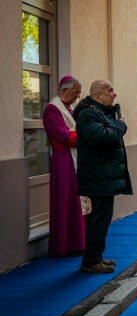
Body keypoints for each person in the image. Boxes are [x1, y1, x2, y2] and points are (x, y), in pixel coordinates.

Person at [74, 80, 131, 273]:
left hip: (103, 177)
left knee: (102, 219)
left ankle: (96, 256)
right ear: (98, 95)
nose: (114, 94)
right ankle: (90, 262)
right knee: (98, 220)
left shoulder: (98, 112)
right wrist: (120, 126)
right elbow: (101, 137)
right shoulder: (87, 114)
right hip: (97, 177)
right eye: (110, 90)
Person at [43, 75, 86, 257]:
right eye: (76, 92)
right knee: (66, 202)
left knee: (75, 202)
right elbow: (63, 136)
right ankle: (63, 245)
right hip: (63, 160)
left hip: (72, 158)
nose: (77, 96)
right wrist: (86, 135)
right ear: (64, 90)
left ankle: (77, 243)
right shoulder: (53, 109)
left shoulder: (68, 108)